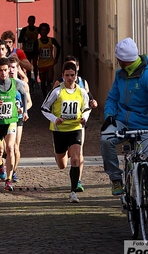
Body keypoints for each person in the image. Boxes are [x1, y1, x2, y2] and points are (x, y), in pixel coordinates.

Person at [100, 37, 148, 227]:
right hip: (122, 123)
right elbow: (111, 98)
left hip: (144, 126)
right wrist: (109, 115)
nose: (117, 61)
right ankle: (116, 178)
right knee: (105, 139)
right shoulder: (120, 75)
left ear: (123, 60)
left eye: (118, 58)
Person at [41, 61, 91, 203]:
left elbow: (87, 108)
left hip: (75, 129)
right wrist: (54, 118)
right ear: (63, 76)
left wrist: (84, 118)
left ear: (76, 76)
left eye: (72, 75)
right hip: (59, 131)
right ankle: (60, 154)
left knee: (75, 159)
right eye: (67, 75)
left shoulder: (81, 92)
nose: (70, 78)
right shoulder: (57, 91)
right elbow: (44, 108)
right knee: (62, 165)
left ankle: (73, 192)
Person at [0, 57, 29, 191]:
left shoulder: (15, 83)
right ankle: (0, 164)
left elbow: (24, 95)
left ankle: (8, 180)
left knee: (10, 148)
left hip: (11, 120)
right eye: (1, 70)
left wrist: (24, 111)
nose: (3, 73)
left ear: (9, 70)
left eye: (5, 70)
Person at [53, 55, 98, 192]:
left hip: (78, 122)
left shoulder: (83, 82)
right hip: (61, 126)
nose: (70, 74)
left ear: (77, 68)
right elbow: (52, 102)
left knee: (78, 153)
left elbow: (89, 98)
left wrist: (93, 103)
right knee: (63, 163)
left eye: (73, 67)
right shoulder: (58, 83)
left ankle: (77, 180)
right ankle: (63, 152)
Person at [8, 57, 32, 182]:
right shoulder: (1, 84)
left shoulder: (22, 85)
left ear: (18, 69)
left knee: (16, 146)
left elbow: (29, 102)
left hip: (17, 118)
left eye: (14, 67)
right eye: (9, 67)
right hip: (5, 118)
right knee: (6, 148)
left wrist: (24, 110)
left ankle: (13, 171)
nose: (11, 70)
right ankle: (5, 165)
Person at [32, 22, 61, 97]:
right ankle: (45, 96)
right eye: (42, 30)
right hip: (41, 64)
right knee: (42, 82)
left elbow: (59, 47)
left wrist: (56, 58)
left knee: (50, 78)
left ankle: (49, 84)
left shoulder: (52, 40)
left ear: (48, 31)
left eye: (45, 30)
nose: (44, 31)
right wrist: (36, 55)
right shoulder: (37, 42)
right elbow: (34, 53)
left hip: (50, 63)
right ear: (40, 31)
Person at [18, 15, 39, 87]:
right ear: (28, 21)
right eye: (30, 20)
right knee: (28, 66)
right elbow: (19, 40)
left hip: (34, 50)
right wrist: (26, 39)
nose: (31, 22)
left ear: (34, 21)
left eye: (33, 21)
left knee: (35, 65)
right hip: (27, 51)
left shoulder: (37, 29)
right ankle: (30, 80)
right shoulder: (24, 30)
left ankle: (36, 79)